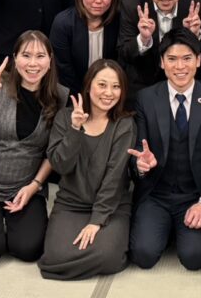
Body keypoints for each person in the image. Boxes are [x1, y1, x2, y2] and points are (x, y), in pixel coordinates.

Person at [0, 30, 68, 267]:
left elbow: (53, 152)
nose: (33, 63)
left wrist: (34, 186)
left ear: (50, 61)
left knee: (29, 249)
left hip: (24, 185)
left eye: (40, 56)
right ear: (15, 59)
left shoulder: (60, 96)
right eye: (26, 55)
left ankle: (6, 222)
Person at [128, 29, 201, 271]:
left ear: (198, 60)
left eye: (187, 58)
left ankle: (179, 229)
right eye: (172, 59)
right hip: (156, 194)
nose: (180, 66)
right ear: (162, 62)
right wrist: (141, 165)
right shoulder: (146, 98)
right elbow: (138, 150)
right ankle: (165, 228)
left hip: (195, 195)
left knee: (194, 258)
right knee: (143, 255)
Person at [37, 60, 134, 280]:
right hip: (71, 203)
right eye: (102, 85)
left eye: (116, 87)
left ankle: (100, 248)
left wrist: (96, 221)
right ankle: (76, 260)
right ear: (89, 86)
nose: (109, 93)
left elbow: (114, 178)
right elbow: (60, 165)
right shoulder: (65, 117)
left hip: (111, 206)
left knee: (110, 257)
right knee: (54, 257)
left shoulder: (124, 124)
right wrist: (75, 129)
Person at [118, 0, 201, 96]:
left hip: (185, 81)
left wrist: (194, 34)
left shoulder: (197, 0)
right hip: (143, 82)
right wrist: (143, 39)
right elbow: (124, 53)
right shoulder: (132, 4)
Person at [50, 0, 121, 94]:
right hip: (72, 93)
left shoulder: (117, 21)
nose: (98, 0)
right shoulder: (63, 23)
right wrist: (87, 96)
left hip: (108, 93)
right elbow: (64, 71)